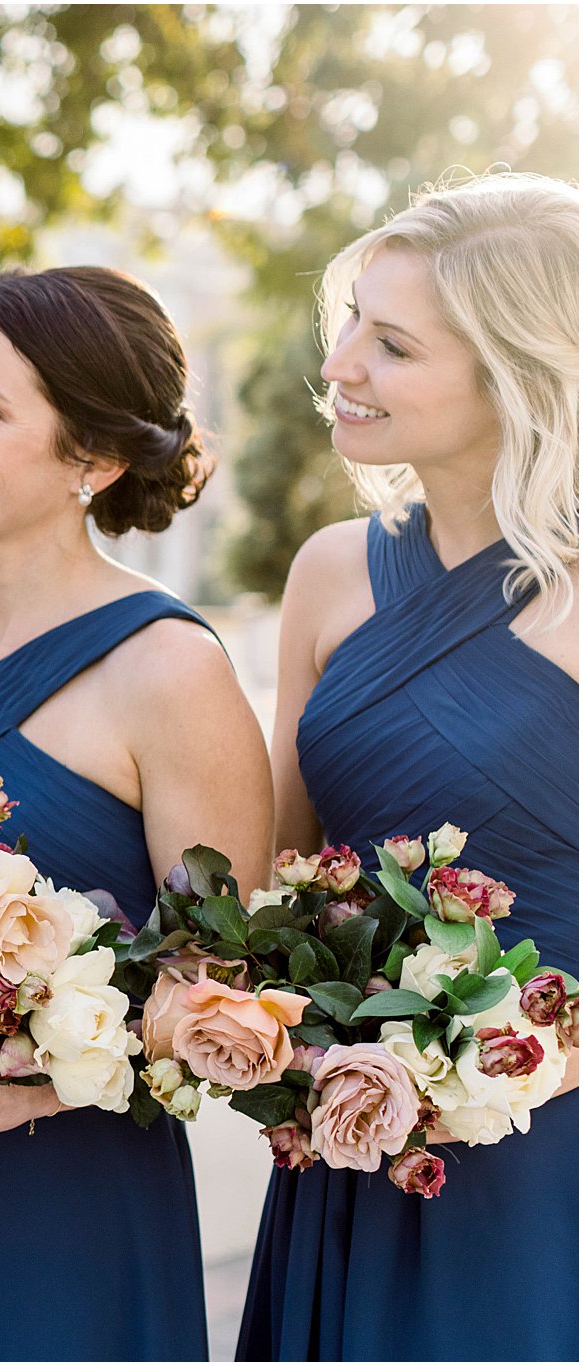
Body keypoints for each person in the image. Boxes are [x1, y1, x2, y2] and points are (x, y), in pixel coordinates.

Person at [0, 265, 272, 1360]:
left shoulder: (169, 671)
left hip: (69, 1191)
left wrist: (32, 1094)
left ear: (90, 456)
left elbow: (222, 981)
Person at [238, 172, 578, 1361]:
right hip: (348, 1127)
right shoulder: (330, 572)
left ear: (514, 378)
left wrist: (516, 1052)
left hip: (547, 1149)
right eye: (347, 328)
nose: (338, 367)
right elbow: (271, 870)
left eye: (388, 345)